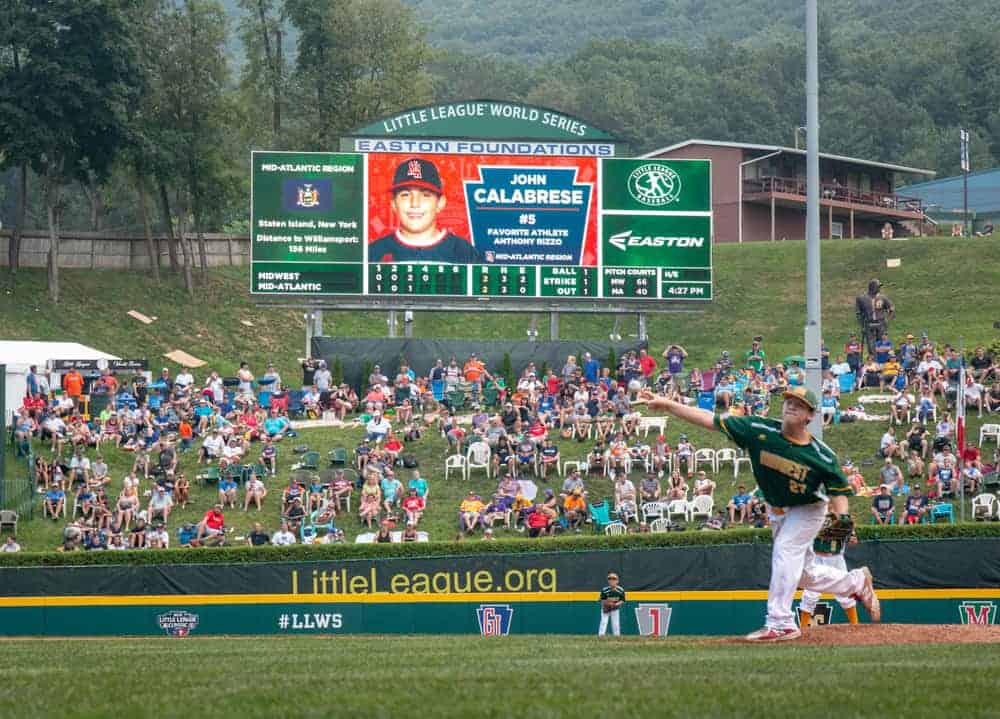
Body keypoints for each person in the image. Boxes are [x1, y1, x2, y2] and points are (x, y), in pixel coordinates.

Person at [641, 385, 880, 641]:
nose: (790, 405)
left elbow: (838, 490)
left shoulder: (821, 455)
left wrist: (842, 517)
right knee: (802, 574)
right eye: (788, 401)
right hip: (777, 510)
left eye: (798, 404)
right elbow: (708, 419)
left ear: (810, 416)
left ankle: (780, 623)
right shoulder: (758, 429)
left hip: (809, 508)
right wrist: (668, 405)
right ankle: (856, 583)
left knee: (786, 550)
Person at [368, 158, 481, 264]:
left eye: (425, 195)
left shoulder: (463, 252)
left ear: (440, 203)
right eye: (405, 195)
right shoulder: (374, 252)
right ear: (393, 203)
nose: (415, 203)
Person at [799, 529, 860, 628]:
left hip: (836, 559)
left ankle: (855, 625)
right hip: (816, 558)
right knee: (810, 594)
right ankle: (803, 628)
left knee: (846, 592)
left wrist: (852, 536)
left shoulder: (841, 516)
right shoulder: (814, 514)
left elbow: (852, 538)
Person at [598, 572, 626, 636]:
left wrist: (616, 604)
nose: (612, 580)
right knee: (603, 622)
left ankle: (617, 637)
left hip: (615, 608)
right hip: (606, 608)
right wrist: (607, 605)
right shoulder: (605, 590)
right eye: (610, 579)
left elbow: (622, 600)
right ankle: (601, 636)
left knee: (616, 624)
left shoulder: (620, 590)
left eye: (614, 579)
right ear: (608, 581)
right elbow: (602, 600)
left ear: (617, 581)